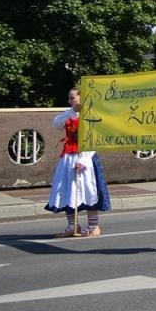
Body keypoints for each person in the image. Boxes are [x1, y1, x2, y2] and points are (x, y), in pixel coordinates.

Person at [45, 86, 111, 237]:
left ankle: (94, 227)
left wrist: (84, 159)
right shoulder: (69, 114)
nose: (69, 101)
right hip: (68, 157)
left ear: (82, 98)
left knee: (88, 190)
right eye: (69, 98)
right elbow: (56, 124)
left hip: (85, 156)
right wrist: (71, 113)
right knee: (67, 190)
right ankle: (72, 226)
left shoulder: (91, 115)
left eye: (72, 98)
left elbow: (94, 139)